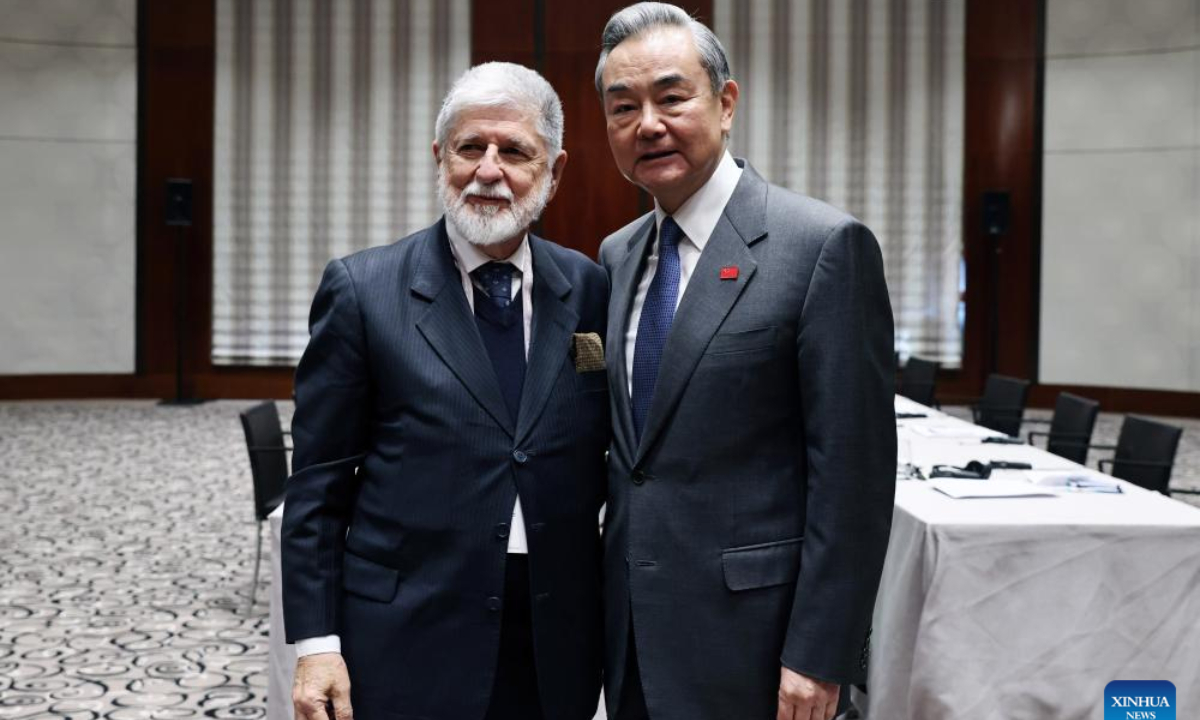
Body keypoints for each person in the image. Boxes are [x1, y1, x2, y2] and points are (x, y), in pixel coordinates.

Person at [594, 4, 896, 719]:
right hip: (632, 634)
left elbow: (852, 478)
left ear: (726, 104)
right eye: (623, 107)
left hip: (758, 645)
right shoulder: (617, 255)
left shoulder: (820, 247)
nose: (648, 124)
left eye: (672, 98)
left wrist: (820, 654)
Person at [282, 62, 610, 720]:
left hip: (554, 636)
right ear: (440, 156)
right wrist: (317, 645)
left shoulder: (588, 289)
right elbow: (318, 486)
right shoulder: (363, 291)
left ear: (554, 171)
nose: (489, 170)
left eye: (514, 151)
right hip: (409, 634)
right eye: (470, 147)